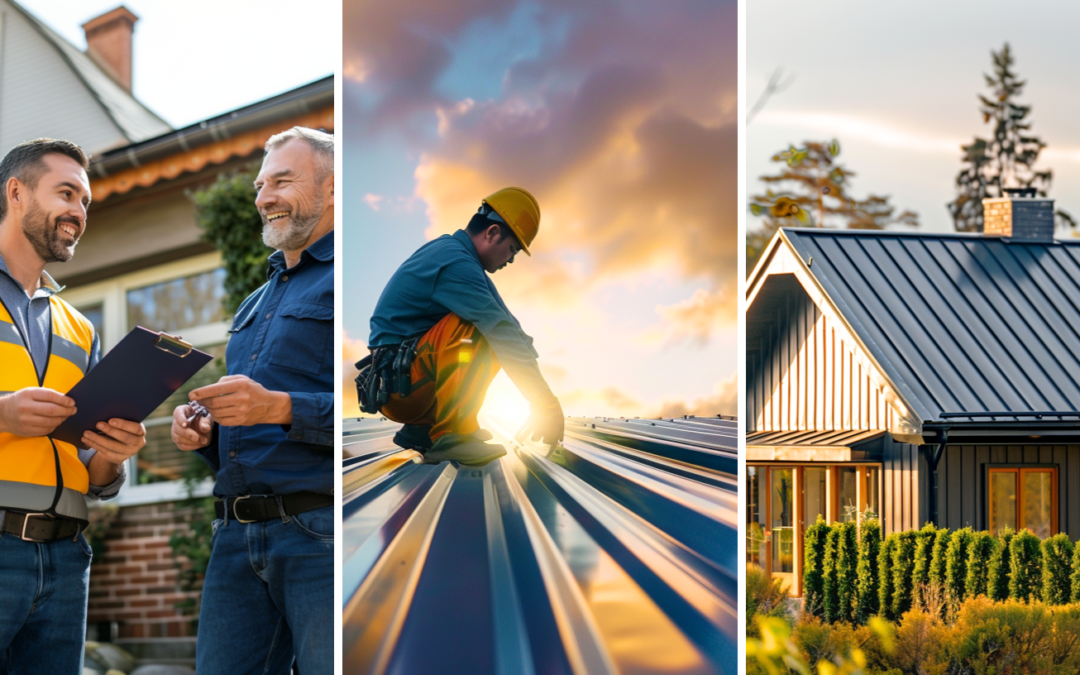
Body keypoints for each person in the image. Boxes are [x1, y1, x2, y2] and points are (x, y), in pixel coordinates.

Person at [170, 127, 333, 675]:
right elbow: (250, 428)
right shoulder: (253, 304)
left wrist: (278, 407)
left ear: (333, 188)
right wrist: (206, 436)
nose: (264, 197)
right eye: (261, 185)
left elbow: (385, 417)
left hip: (322, 535)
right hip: (234, 539)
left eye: (283, 180)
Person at [0, 138, 146, 673]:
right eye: (66, 193)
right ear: (15, 193)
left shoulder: (79, 328)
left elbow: (92, 472)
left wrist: (113, 455)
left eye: (85, 201)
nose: (79, 213)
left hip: (66, 560)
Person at [363, 187, 564, 466]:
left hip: (409, 382)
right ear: (492, 233)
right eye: (512, 249)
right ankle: (453, 434)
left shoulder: (462, 261)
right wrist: (545, 404)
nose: (512, 259)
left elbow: (513, 330)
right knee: (479, 328)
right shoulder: (454, 262)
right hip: (399, 391)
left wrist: (545, 399)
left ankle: (423, 430)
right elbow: (500, 331)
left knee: (494, 329)